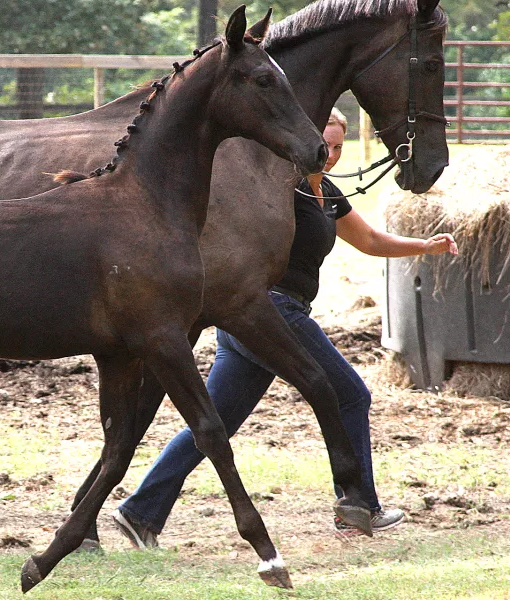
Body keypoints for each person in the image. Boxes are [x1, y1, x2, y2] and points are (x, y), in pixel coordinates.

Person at [112, 108, 458, 547]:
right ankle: (359, 505)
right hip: (267, 311)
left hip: (261, 318)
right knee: (350, 395)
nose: (329, 155)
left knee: (214, 421)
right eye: (323, 144)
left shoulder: (326, 192)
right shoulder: (274, 189)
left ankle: (140, 512)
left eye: (336, 146)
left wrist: (424, 246)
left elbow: (369, 241)